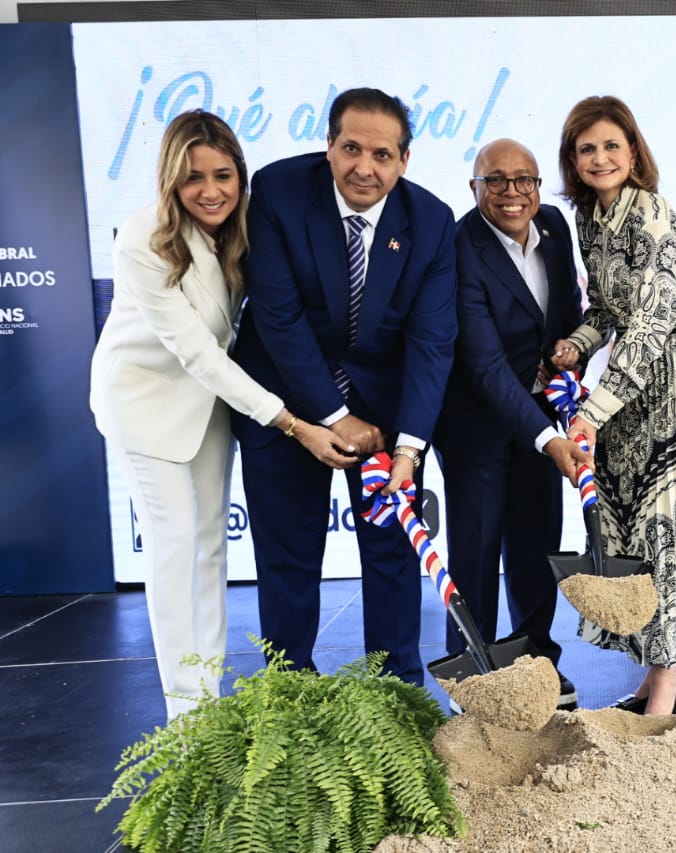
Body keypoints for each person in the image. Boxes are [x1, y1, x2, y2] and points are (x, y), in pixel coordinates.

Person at [89, 111, 354, 719]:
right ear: (170, 181)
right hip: (147, 401)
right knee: (175, 544)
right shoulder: (144, 238)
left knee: (210, 547)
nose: (210, 190)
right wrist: (295, 424)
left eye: (223, 175)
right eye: (193, 178)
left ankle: (206, 695)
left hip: (210, 405)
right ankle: (188, 714)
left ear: (240, 176)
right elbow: (199, 355)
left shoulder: (241, 229)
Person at [231, 88, 458, 686]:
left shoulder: (431, 222)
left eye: (382, 154)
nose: (365, 166)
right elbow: (278, 319)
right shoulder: (279, 192)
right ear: (328, 146)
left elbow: (433, 342)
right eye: (351, 148)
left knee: (392, 553)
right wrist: (332, 414)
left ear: (404, 161)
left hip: (385, 413)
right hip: (284, 401)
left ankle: (398, 694)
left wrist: (409, 449)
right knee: (289, 557)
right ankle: (289, 698)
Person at [550, 95, 676, 716]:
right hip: (631, 399)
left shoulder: (650, 214)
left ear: (634, 152)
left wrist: (591, 413)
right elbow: (608, 310)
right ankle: (657, 678)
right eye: (587, 148)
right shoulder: (587, 219)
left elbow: (651, 327)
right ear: (573, 160)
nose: (600, 158)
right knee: (637, 543)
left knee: (672, 541)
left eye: (611, 146)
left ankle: (669, 689)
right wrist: (576, 343)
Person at [434, 138, 591, 711]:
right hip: (476, 418)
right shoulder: (460, 246)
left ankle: (536, 664)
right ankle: (472, 674)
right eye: (495, 181)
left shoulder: (553, 225)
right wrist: (550, 438)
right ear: (473, 188)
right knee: (476, 548)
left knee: (536, 541)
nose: (511, 193)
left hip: (540, 413)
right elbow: (484, 364)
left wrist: (569, 352)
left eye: (524, 179)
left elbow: (567, 310)